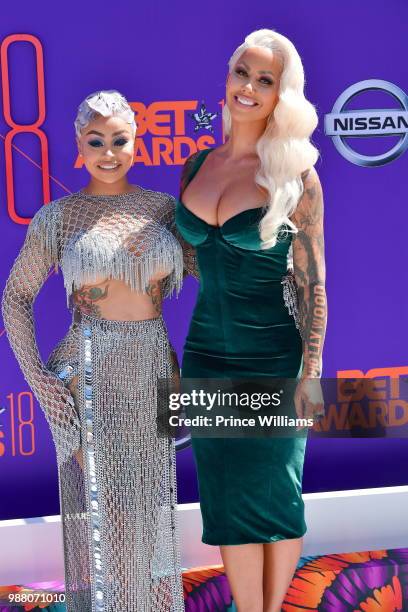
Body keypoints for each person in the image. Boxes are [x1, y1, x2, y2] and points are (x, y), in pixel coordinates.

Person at [2, 90, 187, 612]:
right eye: (96, 141)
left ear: (137, 144)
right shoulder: (59, 218)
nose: (109, 152)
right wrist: (42, 385)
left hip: (152, 372)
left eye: (120, 140)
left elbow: (213, 272)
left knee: (147, 518)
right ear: (78, 148)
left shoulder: (164, 210)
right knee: (112, 522)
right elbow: (16, 297)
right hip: (89, 376)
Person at [176, 29, 327, 611]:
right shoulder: (194, 167)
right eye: (243, 72)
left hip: (274, 357)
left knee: (274, 495)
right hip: (205, 355)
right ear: (228, 76)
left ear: (281, 96)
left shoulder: (298, 177)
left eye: (265, 80)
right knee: (224, 497)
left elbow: (316, 285)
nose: (249, 87)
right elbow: (184, 261)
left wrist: (310, 370)